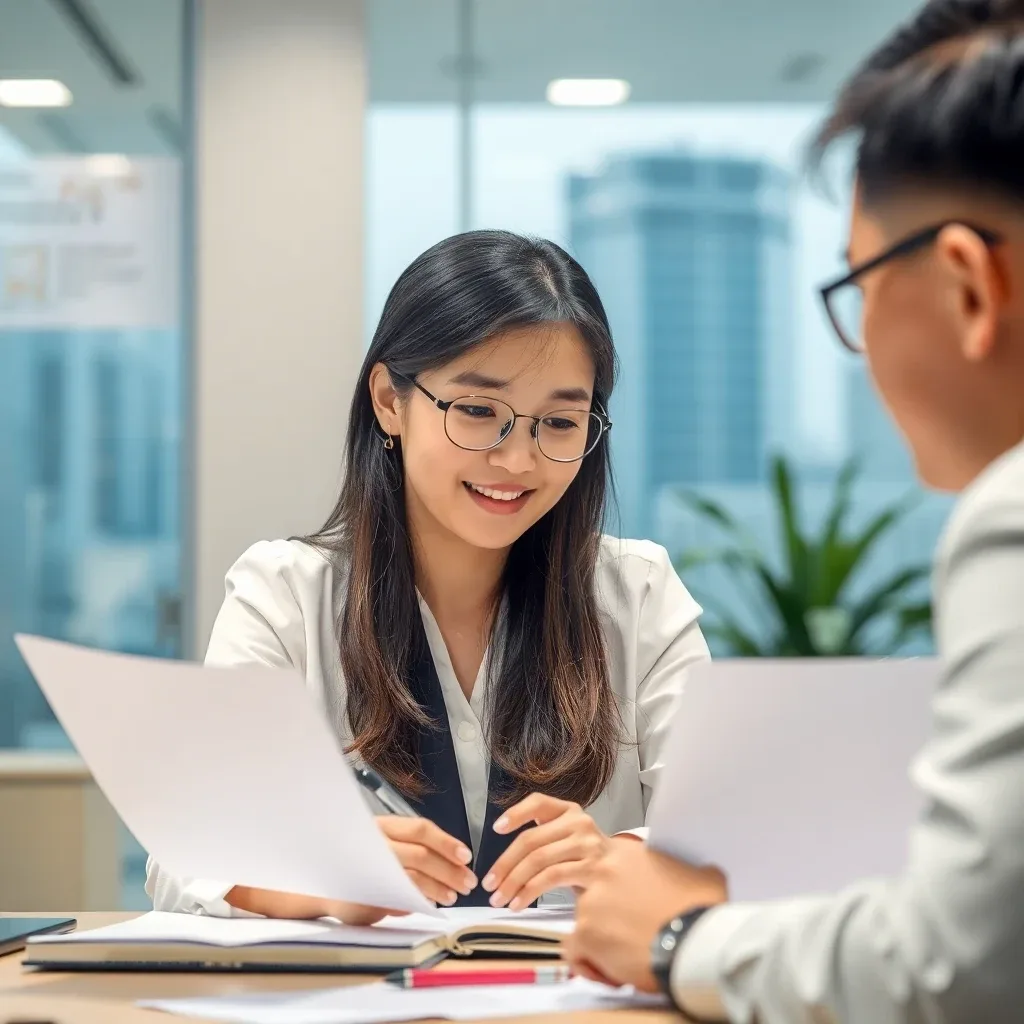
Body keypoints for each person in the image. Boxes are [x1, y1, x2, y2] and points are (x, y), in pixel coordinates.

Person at [564, 2, 1024, 1021]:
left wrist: (678, 937)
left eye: (860, 281)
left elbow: (966, 961)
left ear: (964, 284)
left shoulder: (1012, 517)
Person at [146, 229, 709, 923]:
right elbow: (184, 855)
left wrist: (620, 857)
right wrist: (327, 875)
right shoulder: (286, 594)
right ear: (389, 399)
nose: (517, 459)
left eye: (559, 423)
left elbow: (727, 839)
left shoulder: (638, 594)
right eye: (478, 412)